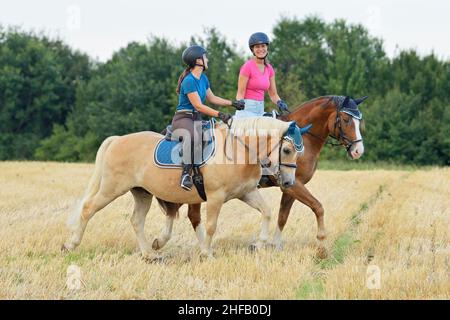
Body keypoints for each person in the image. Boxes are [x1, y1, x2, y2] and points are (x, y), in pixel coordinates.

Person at [172, 45, 245, 191]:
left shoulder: (203, 78)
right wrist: (220, 114)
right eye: (205, 57)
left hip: (196, 118)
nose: (208, 59)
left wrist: (232, 103)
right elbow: (198, 106)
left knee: (216, 134)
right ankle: (185, 175)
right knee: (193, 136)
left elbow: (212, 98)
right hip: (183, 118)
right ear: (198, 60)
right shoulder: (189, 80)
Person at [235, 32, 289, 118]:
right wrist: (240, 102)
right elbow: (240, 93)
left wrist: (280, 102)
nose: (261, 49)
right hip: (246, 110)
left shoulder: (269, 69)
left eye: (263, 46)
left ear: (267, 47)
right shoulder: (247, 67)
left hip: (260, 110)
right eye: (257, 47)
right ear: (252, 50)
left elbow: (273, 94)